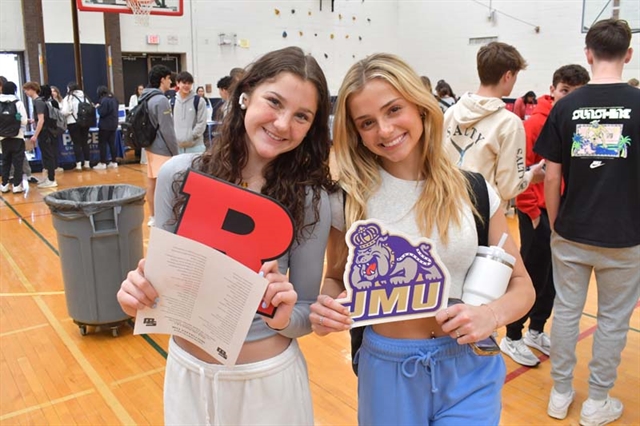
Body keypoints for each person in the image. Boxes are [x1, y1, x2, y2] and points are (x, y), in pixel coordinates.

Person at [310, 53, 534, 425]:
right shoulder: (348, 198)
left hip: (470, 364)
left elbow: (523, 285)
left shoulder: (474, 190)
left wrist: (490, 315)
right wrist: (328, 308)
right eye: (367, 122)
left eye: (393, 109)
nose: (384, 129)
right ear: (355, 132)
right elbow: (335, 277)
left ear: (419, 106)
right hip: (387, 367)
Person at [116, 46, 334, 425]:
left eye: (301, 116)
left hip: (266, 385)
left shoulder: (311, 198)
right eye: (274, 102)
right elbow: (156, 288)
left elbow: (305, 314)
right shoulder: (179, 175)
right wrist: (134, 295)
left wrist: (284, 315)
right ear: (244, 96)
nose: (283, 124)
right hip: (187, 377)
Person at [534, 19, 640, 426]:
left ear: (588, 54)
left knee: (566, 312)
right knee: (614, 321)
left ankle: (560, 394)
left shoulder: (565, 106)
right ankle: (597, 401)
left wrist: (557, 221)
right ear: (628, 54)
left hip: (572, 231)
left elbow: (553, 174)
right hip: (625, 236)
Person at [501, 65, 590, 367]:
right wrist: (529, 210)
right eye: (565, 91)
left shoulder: (576, 121)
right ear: (553, 90)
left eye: (576, 93)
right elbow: (521, 171)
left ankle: (536, 329)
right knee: (532, 276)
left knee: (553, 278)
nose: (569, 98)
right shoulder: (535, 124)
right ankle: (512, 335)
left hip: (560, 213)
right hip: (537, 213)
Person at [443, 41, 545, 211]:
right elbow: (509, 188)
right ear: (508, 76)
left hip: (447, 209)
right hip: (485, 218)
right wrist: (530, 175)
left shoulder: (451, 113)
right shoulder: (509, 123)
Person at [139, 65, 178, 227]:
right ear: (162, 79)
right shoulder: (161, 100)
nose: (170, 82)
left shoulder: (145, 96)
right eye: (169, 78)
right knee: (167, 185)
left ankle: (153, 216)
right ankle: (165, 217)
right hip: (162, 149)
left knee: (152, 184)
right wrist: (176, 153)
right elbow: (167, 130)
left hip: (149, 146)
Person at [23, 82, 57, 188]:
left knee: (48, 155)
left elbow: (41, 120)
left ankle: (51, 179)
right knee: (46, 155)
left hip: (44, 133)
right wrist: (33, 121)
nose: (25, 92)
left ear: (32, 89)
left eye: (26, 90)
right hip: (46, 132)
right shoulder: (41, 101)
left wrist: (35, 135)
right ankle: (49, 178)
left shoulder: (38, 102)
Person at [0, 81, 28, 193]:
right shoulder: (18, 103)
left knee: (5, 161)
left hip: (2, 137)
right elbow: (24, 121)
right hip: (17, 136)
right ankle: (17, 185)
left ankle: (4, 184)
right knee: (17, 162)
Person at [173, 71, 207, 154]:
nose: (186, 86)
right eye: (184, 83)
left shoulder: (199, 101)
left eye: (189, 83)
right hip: (177, 148)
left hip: (196, 147)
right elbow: (169, 124)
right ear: (177, 83)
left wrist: (191, 137)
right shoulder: (172, 101)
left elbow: (201, 123)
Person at [61, 82, 92, 170]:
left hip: (73, 122)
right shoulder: (85, 96)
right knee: (85, 142)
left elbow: (65, 111)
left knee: (77, 143)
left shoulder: (68, 98)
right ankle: (87, 164)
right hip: (85, 122)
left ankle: (78, 165)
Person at [94, 86, 119, 170]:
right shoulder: (114, 99)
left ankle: (103, 162)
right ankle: (114, 162)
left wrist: (98, 107)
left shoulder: (104, 100)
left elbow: (102, 113)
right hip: (114, 124)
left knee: (103, 144)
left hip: (105, 125)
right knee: (112, 144)